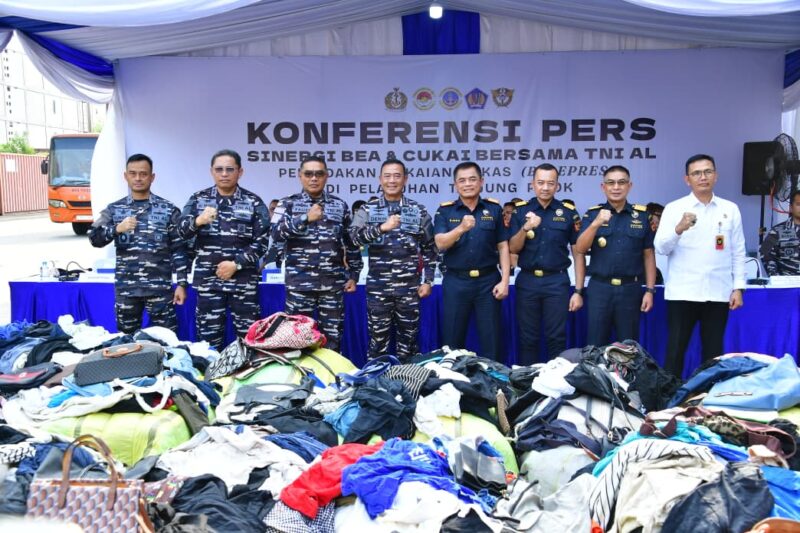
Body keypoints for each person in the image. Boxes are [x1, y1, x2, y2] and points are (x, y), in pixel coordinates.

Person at [654, 154, 746, 378]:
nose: (702, 177)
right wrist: (679, 228)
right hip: (683, 292)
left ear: (716, 176)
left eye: (708, 172)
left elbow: (738, 251)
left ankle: (708, 401)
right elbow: (660, 247)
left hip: (718, 292)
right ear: (687, 179)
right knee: (675, 351)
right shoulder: (675, 208)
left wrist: (738, 287)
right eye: (696, 173)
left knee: (713, 353)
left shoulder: (730, 209)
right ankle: (669, 400)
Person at [178, 149, 270, 350]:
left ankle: (245, 380)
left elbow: (263, 242)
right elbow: (181, 232)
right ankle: (211, 380)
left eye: (230, 169)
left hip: (243, 283)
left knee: (248, 342)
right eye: (219, 169)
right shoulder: (198, 199)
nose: (224, 174)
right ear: (212, 171)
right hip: (209, 283)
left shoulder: (253, 202)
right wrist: (199, 221)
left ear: (240, 172)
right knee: (208, 343)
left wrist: (236, 264)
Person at [89, 154, 189, 333]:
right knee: (126, 343)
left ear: (152, 177)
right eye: (132, 173)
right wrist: (116, 229)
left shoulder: (168, 209)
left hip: (159, 290)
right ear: (125, 176)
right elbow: (94, 239)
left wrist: (181, 284)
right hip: (127, 290)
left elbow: (179, 249)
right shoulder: (114, 209)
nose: (137, 178)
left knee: (166, 341)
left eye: (143, 174)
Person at [272, 156, 362, 352]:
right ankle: (300, 380)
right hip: (299, 284)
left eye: (319, 174)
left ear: (326, 176)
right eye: (308, 174)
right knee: (296, 339)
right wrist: (305, 218)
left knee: (331, 340)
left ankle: (329, 380)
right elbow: (275, 234)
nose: (314, 178)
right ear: (300, 176)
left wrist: (354, 275)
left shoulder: (340, 205)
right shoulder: (286, 204)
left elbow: (351, 243)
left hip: (332, 285)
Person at [349, 159, 437, 359]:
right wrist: (380, 228)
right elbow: (353, 239)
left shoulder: (417, 210)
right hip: (378, 289)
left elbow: (430, 249)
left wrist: (428, 280)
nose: (392, 180)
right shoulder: (368, 210)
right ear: (380, 179)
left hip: (409, 289)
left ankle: (408, 385)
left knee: (409, 343)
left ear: (405, 179)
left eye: (397, 176)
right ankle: (374, 387)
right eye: (387, 176)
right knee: (377, 342)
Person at [509, 163, 585, 365]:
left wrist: (578, 291)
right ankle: (525, 386)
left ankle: (555, 388)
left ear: (557, 186)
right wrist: (526, 227)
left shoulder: (568, 213)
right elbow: (513, 248)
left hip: (557, 281)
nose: (545, 187)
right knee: (528, 338)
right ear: (533, 184)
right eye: (540, 182)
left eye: (550, 183)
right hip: (527, 280)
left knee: (556, 338)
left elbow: (578, 253)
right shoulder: (520, 212)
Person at [434, 162, 510, 360]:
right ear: (455, 185)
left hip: (488, 281)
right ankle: (452, 384)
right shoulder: (445, 211)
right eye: (462, 180)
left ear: (481, 182)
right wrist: (460, 229)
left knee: (492, 339)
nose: (467, 184)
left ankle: (495, 386)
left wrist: (505, 281)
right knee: (452, 341)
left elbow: (503, 246)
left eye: (472, 179)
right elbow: (440, 243)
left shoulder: (493, 209)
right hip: (456, 282)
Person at [575, 165, 657, 346]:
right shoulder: (593, 214)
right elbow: (580, 248)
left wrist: (650, 291)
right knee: (595, 345)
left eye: (621, 182)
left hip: (631, 289)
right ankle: (595, 375)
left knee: (628, 347)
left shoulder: (642, 216)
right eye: (610, 183)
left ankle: (626, 376)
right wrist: (596, 224)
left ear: (630, 186)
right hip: (600, 289)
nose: (616, 187)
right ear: (603, 187)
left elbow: (649, 255)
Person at [760, 190, 800, 276]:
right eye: (798, 204)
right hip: (787, 284)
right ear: (791, 208)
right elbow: (766, 254)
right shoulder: (778, 230)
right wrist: (776, 277)